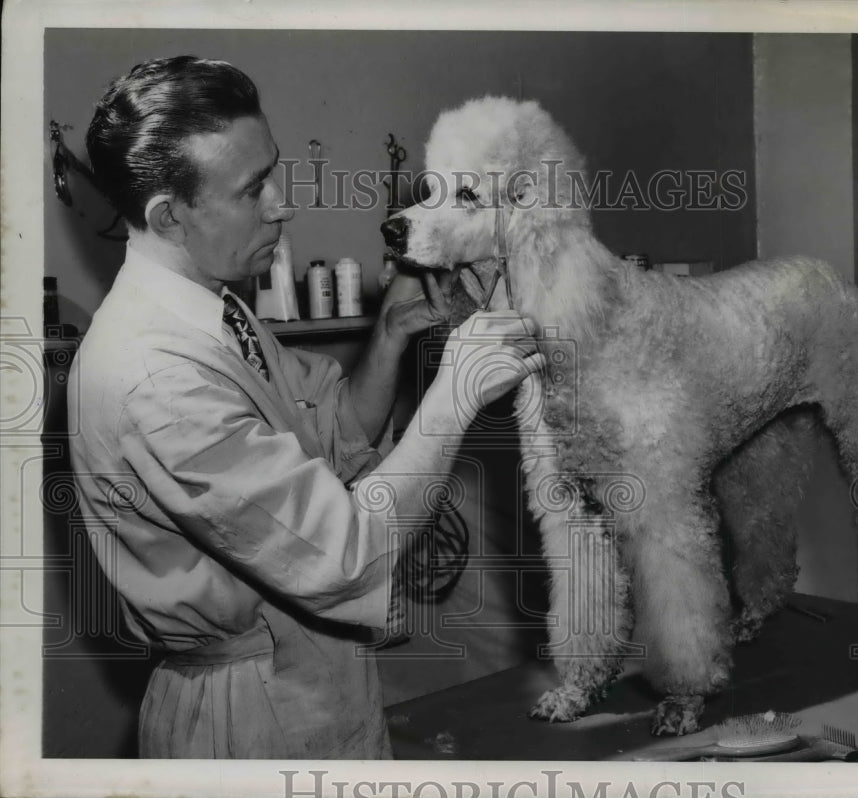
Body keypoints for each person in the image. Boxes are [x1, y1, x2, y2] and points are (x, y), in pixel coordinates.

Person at [68, 55, 544, 759]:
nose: (282, 203)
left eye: (274, 172)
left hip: (309, 675)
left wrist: (388, 335)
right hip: (251, 716)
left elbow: (327, 430)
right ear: (170, 215)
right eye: (253, 188)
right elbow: (344, 554)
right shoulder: (154, 375)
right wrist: (456, 393)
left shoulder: (213, 306)